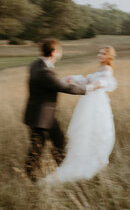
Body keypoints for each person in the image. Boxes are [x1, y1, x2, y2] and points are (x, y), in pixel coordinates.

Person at [23, 38, 99, 182]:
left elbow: (49, 85)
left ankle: (63, 172)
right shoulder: (45, 72)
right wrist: (89, 88)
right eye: (59, 51)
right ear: (53, 52)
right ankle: (31, 178)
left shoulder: (35, 65)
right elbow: (65, 88)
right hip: (41, 118)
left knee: (59, 141)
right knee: (37, 149)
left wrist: (60, 82)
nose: (60, 54)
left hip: (44, 115)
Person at [43, 46, 117, 183]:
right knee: (84, 130)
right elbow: (87, 82)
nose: (99, 55)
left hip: (97, 103)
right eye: (99, 52)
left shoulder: (107, 69)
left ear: (109, 56)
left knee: (97, 130)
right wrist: (73, 78)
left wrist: (97, 84)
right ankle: (82, 157)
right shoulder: (100, 68)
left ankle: (93, 160)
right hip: (89, 100)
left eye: (103, 53)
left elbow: (105, 82)